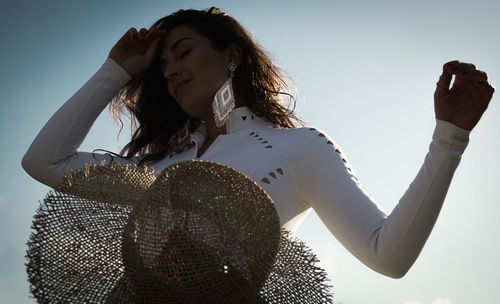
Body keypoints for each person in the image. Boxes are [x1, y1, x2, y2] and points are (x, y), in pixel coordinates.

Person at [22, 7, 494, 280]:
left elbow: (387, 256)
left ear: (231, 57)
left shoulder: (296, 150)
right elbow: (43, 161)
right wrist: (117, 71)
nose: (168, 70)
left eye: (183, 52)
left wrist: (449, 138)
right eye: (161, 66)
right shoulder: (157, 166)